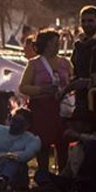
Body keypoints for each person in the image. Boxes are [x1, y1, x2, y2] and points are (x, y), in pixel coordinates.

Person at [18, 30, 74, 174]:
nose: (56, 45)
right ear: (45, 44)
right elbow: (23, 87)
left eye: (57, 42)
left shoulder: (65, 63)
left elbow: (72, 81)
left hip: (61, 107)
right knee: (42, 142)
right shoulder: (34, 64)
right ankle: (43, 173)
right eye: (52, 43)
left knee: (63, 140)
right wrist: (42, 89)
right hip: (41, 108)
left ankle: (63, 174)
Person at [34, 115, 96, 192]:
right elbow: (69, 171)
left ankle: (80, 187)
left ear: (87, 125)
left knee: (92, 145)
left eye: (77, 122)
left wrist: (77, 135)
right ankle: (54, 188)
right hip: (75, 182)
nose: (73, 125)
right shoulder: (75, 146)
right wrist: (58, 178)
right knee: (41, 174)